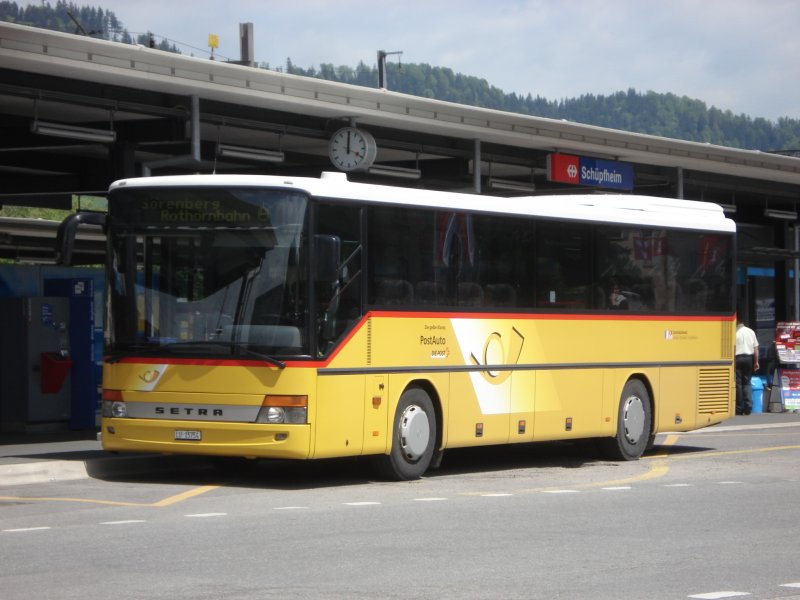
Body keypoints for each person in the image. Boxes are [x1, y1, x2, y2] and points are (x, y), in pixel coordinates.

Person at [734, 320, 759, 415]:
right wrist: (756, 362)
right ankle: (748, 407)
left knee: (738, 384)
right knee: (747, 383)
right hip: (749, 359)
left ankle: (739, 408)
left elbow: (733, 348)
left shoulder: (734, 332)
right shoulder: (751, 331)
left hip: (737, 358)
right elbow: (756, 348)